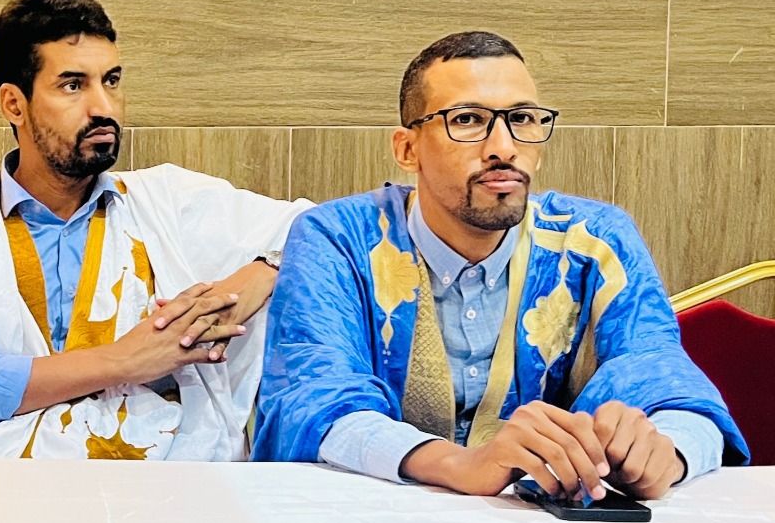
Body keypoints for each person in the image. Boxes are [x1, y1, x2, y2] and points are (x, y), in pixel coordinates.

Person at [257, 31, 747, 498]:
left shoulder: (594, 240)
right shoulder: (338, 238)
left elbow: (662, 375)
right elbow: (313, 399)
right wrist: (458, 464)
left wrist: (667, 453)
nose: (504, 147)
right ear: (408, 149)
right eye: (468, 119)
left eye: (523, 119)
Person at [0, 0, 311, 460]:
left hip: (166, 485)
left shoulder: (169, 203)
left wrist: (255, 277)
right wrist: (123, 360)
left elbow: (320, 229)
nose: (103, 108)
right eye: (73, 85)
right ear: (14, 104)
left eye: (111, 81)